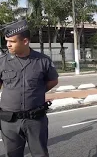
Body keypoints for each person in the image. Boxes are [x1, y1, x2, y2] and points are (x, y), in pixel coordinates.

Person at [0, 19, 58, 157]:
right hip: (9, 121)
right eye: (7, 41)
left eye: (12, 41)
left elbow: (53, 81)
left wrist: (35, 92)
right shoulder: (2, 62)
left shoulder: (43, 61)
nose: (8, 45)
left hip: (35, 120)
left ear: (25, 41)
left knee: (40, 154)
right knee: (12, 154)